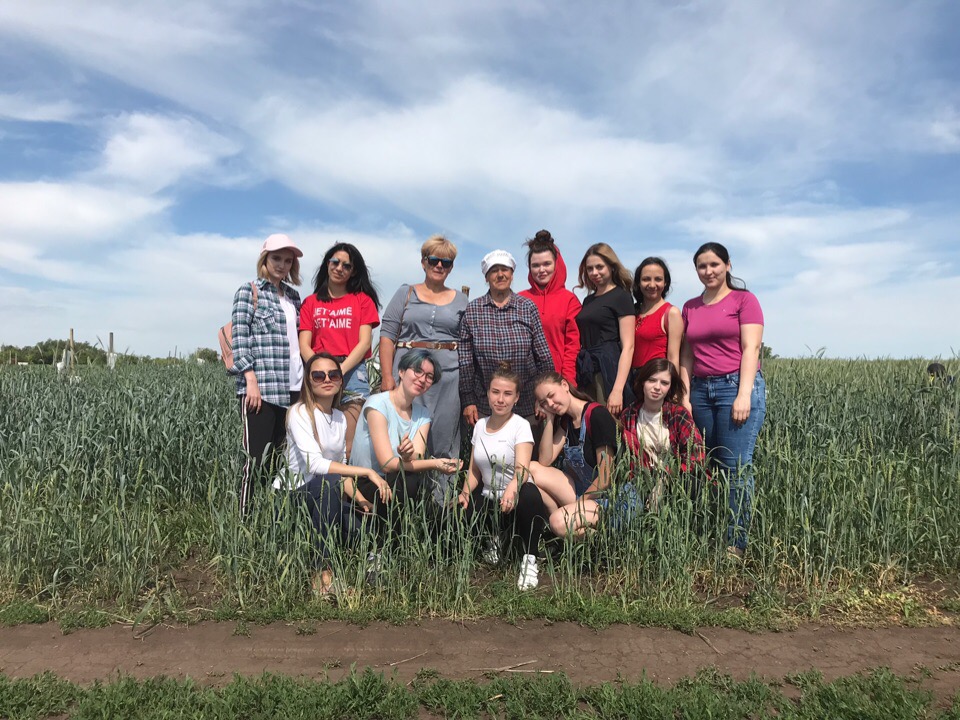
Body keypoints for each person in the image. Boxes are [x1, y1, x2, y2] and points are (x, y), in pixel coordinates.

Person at [276, 353, 392, 595]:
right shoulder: (299, 412)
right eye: (318, 375)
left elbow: (340, 469)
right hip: (291, 497)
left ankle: (370, 570)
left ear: (341, 379)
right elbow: (316, 465)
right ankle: (322, 577)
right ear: (308, 381)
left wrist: (361, 500)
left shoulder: (339, 418)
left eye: (333, 374)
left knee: (363, 526)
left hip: (323, 496)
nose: (327, 379)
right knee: (327, 483)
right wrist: (368, 472)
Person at [679, 242, 765, 560]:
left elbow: (751, 348)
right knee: (710, 465)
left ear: (728, 265)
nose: (708, 271)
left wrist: (743, 394)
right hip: (701, 390)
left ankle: (735, 544)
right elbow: (686, 355)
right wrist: (685, 396)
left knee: (735, 466)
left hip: (735, 386)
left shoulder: (744, 300)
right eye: (702, 266)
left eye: (714, 264)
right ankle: (712, 532)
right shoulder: (690, 307)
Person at [379, 235, 468, 502]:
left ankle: (440, 507)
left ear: (451, 267)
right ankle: (400, 505)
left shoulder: (461, 300)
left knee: (443, 438)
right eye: (434, 260)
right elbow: (387, 334)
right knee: (404, 437)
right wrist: (386, 376)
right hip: (407, 376)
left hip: (448, 378)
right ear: (423, 262)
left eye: (446, 262)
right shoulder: (405, 293)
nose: (439, 265)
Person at [513, 371, 617, 590]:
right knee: (532, 469)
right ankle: (564, 527)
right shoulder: (567, 421)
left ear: (564, 385)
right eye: (544, 402)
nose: (550, 404)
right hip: (582, 492)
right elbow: (545, 460)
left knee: (559, 522)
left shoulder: (597, 415)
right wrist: (550, 420)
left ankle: (609, 542)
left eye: (551, 396)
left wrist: (576, 505)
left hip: (609, 498)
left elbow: (606, 477)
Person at [349, 349, 463, 544]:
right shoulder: (377, 404)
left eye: (429, 376)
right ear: (401, 372)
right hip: (367, 481)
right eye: (417, 371)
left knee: (412, 483)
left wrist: (409, 455)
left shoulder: (422, 414)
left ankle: (401, 546)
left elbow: (416, 456)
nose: (422, 379)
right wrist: (436, 464)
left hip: (396, 480)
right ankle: (382, 546)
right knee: (407, 481)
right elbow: (387, 464)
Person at [230, 233, 303, 515]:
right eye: (276, 258)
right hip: (261, 388)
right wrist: (250, 380)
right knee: (255, 458)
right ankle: (245, 520)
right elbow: (240, 338)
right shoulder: (249, 291)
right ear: (265, 259)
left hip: (293, 388)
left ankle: (269, 518)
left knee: (279, 460)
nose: (282, 265)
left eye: (288, 260)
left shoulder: (294, 297)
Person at [299, 243, 381, 459]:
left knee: (349, 444)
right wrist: (322, 370)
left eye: (346, 265)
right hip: (318, 372)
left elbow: (364, 343)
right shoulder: (310, 303)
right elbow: (304, 344)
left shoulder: (363, 301)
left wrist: (339, 370)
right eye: (335, 262)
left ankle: (347, 481)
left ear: (353, 271)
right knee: (319, 441)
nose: (339, 268)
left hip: (352, 372)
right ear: (327, 264)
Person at [459, 250, 554, 425]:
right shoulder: (473, 310)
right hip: (486, 405)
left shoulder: (527, 307)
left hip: (527, 404)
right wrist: (468, 400)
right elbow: (466, 362)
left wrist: (543, 398)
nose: (500, 274)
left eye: (505, 269)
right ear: (486, 277)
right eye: (494, 271)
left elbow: (543, 357)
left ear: (512, 274)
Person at [456, 362, 534, 564]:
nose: (500, 399)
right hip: (488, 497)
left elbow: (523, 469)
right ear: (488, 394)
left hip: (513, 497)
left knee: (529, 494)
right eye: (495, 392)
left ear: (516, 398)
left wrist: (512, 489)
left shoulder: (521, 425)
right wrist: (464, 493)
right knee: (457, 512)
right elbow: (474, 470)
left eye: (507, 394)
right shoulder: (480, 425)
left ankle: (529, 557)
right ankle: (492, 539)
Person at [619, 358, 707, 516]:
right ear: (642, 382)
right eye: (652, 380)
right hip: (640, 481)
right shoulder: (629, 415)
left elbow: (696, 454)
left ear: (670, 387)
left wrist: (665, 481)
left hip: (676, 480)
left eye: (664, 383)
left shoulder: (678, 414)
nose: (657, 387)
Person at [574, 243, 636, 416]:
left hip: (609, 367)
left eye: (599, 267)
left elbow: (628, 346)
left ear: (611, 266)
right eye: (590, 268)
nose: (594, 272)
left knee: (608, 421)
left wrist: (618, 389)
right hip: (587, 366)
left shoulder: (621, 296)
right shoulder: (588, 300)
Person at [518, 230, 581, 384]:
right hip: (524, 381)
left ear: (556, 265)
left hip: (557, 379)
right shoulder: (520, 299)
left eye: (547, 264)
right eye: (535, 265)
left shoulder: (569, 300)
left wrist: (568, 381)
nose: (541, 270)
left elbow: (573, 346)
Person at [631, 257, 682, 372]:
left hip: (655, 378)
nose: (652, 285)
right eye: (646, 279)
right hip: (630, 378)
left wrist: (674, 382)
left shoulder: (671, 313)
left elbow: (673, 358)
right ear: (638, 282)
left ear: (665, 282)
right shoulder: (632, 312)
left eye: (658, 279)